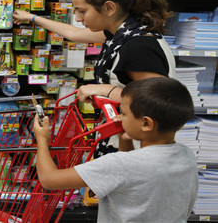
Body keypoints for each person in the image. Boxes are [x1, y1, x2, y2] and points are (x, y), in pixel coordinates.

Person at [33, 77, 198, 222]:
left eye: (124, 113)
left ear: (146, 123)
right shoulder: (186, 155)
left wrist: (42, 139)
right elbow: (132, 182)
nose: (118, 117)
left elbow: (49, 179)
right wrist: (124, 140)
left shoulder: (118, 164)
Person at [13, 0, 175, 104]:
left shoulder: (138, 47)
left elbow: (158, 101)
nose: (77, 18)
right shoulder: (122, 33)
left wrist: (105, 90)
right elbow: (73, 34)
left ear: (109, 8)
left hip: (138, 141)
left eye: (82, 11)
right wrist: (32, 18)